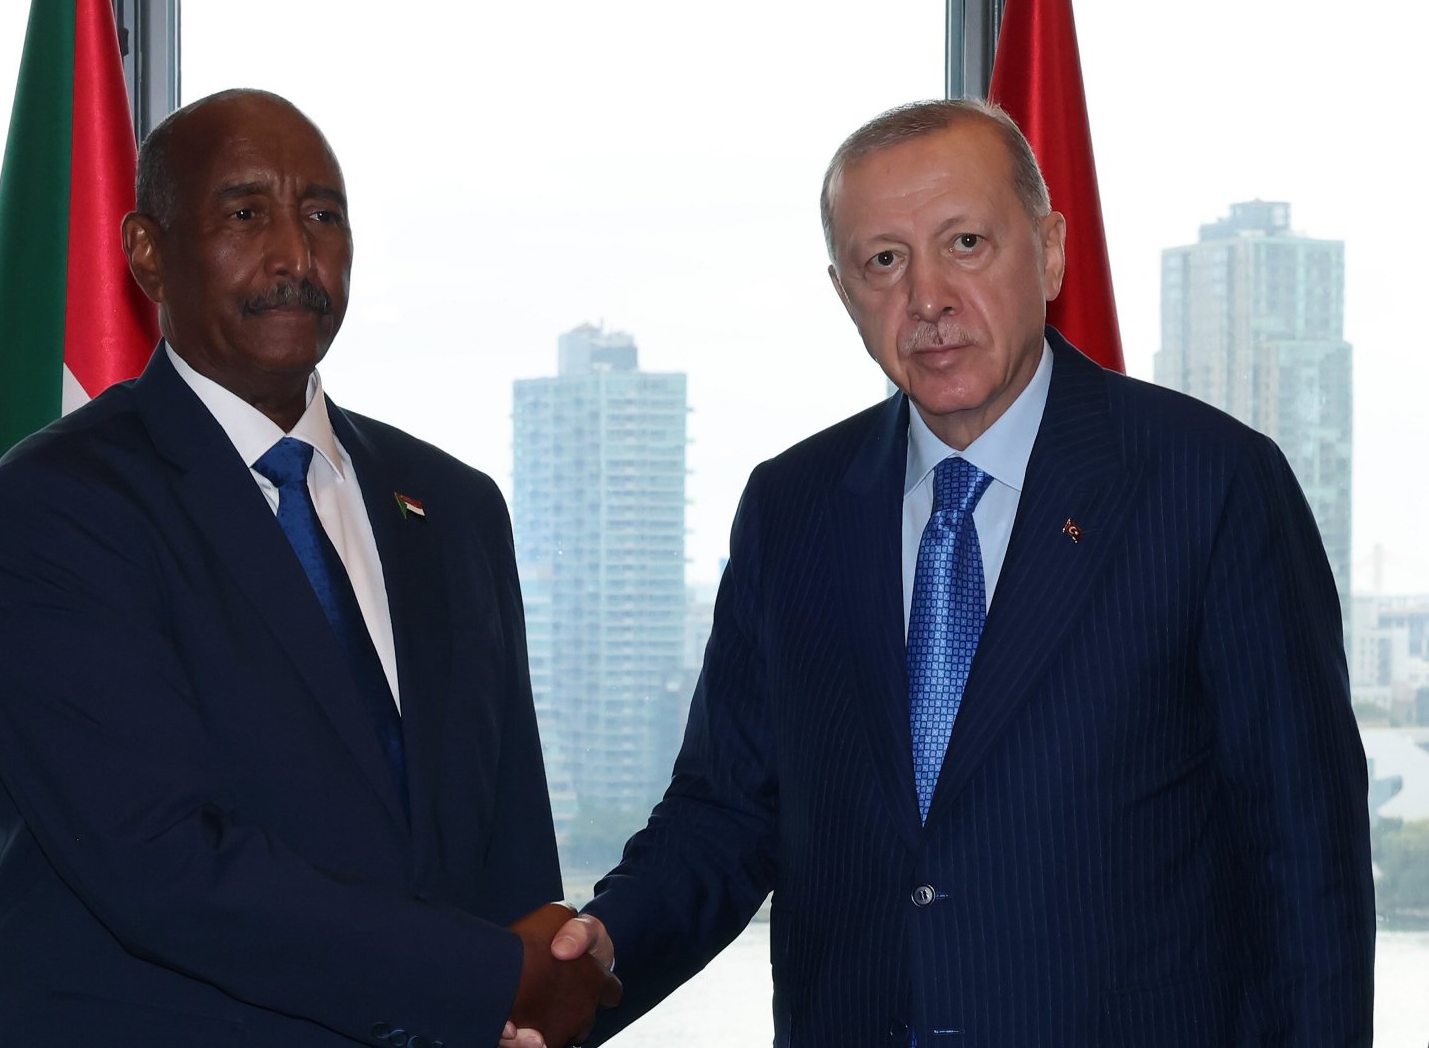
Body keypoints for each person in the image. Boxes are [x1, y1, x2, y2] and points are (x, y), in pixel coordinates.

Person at [529, 99, 1375, 1046]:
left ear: (1049, 252)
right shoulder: (793, 506)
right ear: (845, 293)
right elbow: (728, 808)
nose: (926, 297)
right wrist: (607, 940)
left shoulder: (1211, 485)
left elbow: (1305, 863)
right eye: (883, 261)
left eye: (965, 242)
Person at [0, 89, 616, 1048]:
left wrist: (537, 995)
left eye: (322, 216)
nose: (295, 258)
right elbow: (157, 864)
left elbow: (509, 845)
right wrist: (486, 978)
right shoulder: (61, 504)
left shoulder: (455, 508)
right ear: (147, 251)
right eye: (243, 214)